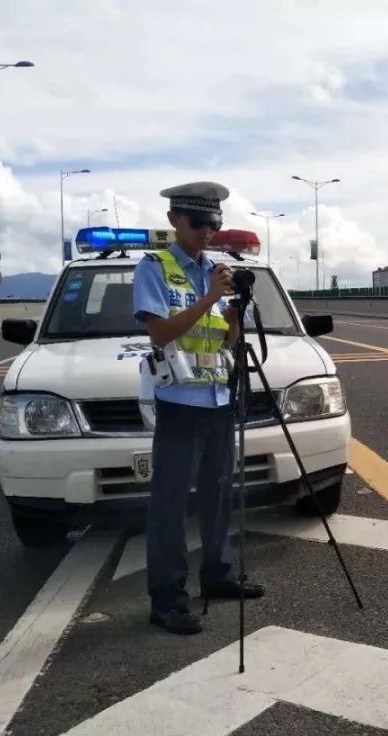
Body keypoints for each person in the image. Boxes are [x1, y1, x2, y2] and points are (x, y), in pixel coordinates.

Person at [132, 181, 264, 635]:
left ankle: (218, 575)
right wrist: (208, 297)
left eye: (214, 223)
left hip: (218, 398)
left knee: (219, 493)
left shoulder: (218, 270)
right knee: (170, 505)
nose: (207, 231)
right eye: (198, 222)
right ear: (174, 220)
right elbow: (160, 333)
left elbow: (228, 341)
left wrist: (234, 318)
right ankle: (167, 600)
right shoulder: (155, 268)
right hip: (179, 403)